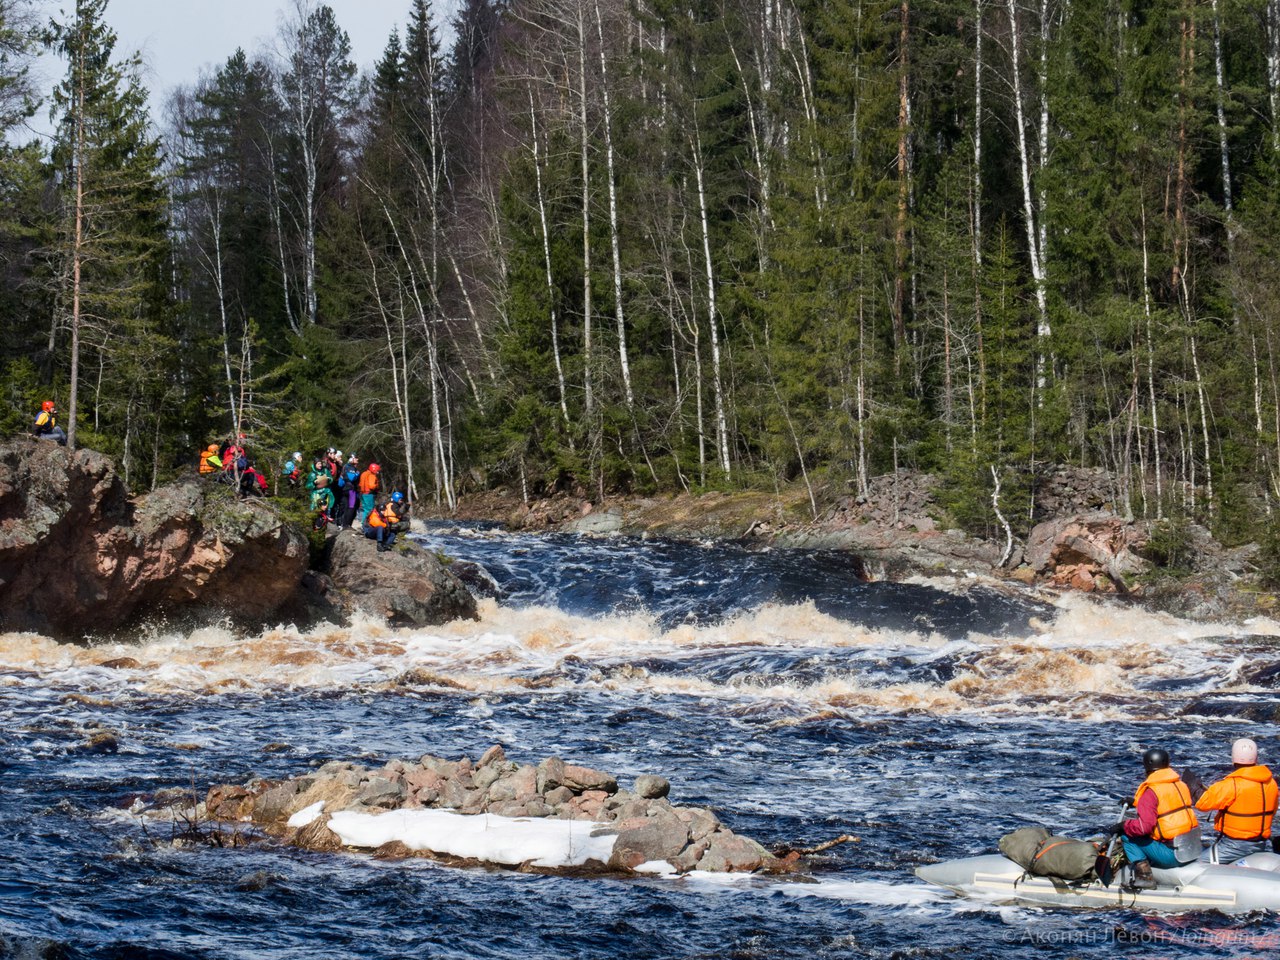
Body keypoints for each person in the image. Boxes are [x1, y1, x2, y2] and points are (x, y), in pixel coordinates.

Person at [1099, 748, 1202, 890]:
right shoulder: (1181, 785)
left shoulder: (1151, 792)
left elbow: (1144, 827)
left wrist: (1124, 826)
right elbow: (1167, 803)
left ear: (1147, 767)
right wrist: (1136, 802)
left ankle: (1144, 877)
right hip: (1192, 848)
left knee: (1128, 837)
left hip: (1172, 856)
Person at [1195, 738, 1278, 864]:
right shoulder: (1271, 783)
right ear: (1256, 758)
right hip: (1260, 843)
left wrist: (1193, 788)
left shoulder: (1231, 784)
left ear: (1234, 758)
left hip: (1234, 846)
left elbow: (1203, 803)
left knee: (1197, 863)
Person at [357, 462, 381, 527]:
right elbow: (372, 486)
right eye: (377, 470)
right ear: (374, 469)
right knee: (369, 510)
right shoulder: (372, 475)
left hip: (362, 494)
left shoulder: (364, 473)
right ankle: (366, 525)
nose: (377, 471)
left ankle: (363, 524)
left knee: (365, 509)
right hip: (369, 494)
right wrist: (376, 485)